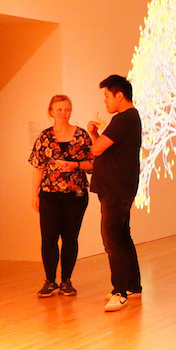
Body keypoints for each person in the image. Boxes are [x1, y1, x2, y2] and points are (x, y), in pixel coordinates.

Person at [28, 94, 93, 298]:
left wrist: (75, 165)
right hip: (49, 194)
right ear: (51, 112)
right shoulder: (44, 137)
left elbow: (93, 164)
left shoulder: (82, 135)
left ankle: (66, 280)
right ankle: (49, 281)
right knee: (48, 238)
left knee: (70, 237)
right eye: (59, 110)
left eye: (66, 109)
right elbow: (38, 167)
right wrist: (34, 194)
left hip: (76, 194)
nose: (63, 113)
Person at [87, 75, 142, 313]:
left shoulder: (123, 119)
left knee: (112, 240)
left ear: (120, 95)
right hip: (120, 188)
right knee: (122, 236)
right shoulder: (131, 118)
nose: (105, 101)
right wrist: (95, 134)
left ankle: (119, 292)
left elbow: (97, 149)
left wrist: (94, 136)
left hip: (115, 190)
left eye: (107, 96)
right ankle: (133, 286)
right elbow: (104, 150)